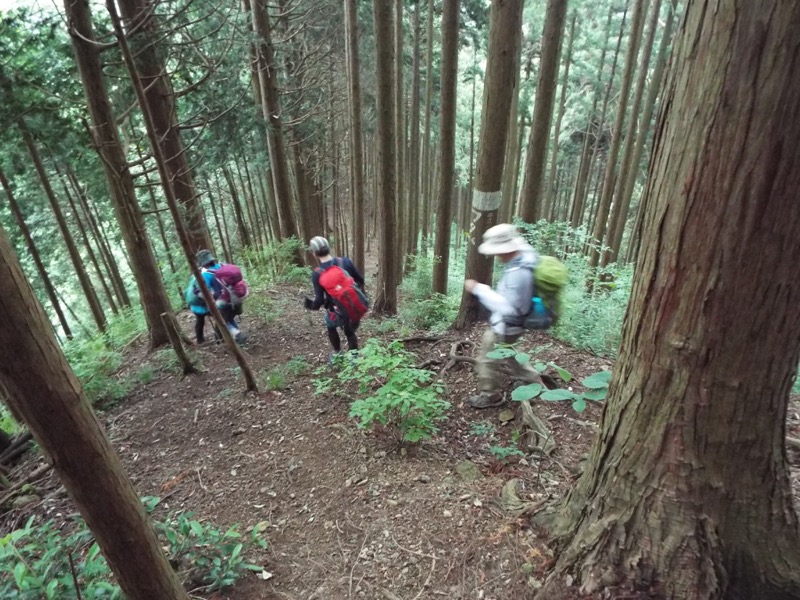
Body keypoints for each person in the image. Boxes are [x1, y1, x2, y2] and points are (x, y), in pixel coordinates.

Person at [463, 224, 543, 409]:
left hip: (507, 324)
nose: (496, 255)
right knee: (511, 353)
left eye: (497, 251)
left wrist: (478, 289)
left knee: (487, 359)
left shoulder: (518, 273)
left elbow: (509, 307)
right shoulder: (525, 259)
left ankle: (490, 394)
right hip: (515, 324)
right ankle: (534, 383)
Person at [302, 236, 366, 360]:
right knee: (350, 331)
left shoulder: (318, 273)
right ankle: (354, 357)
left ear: (314, 253)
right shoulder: (345, 262)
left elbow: (319, 301)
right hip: (356, 307)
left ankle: (337, 353)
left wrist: (309, 304)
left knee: (330, 326)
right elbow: (360, 280)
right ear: (329, 248)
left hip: (337, 311)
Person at [186, 249, 247, 344]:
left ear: (202, 263)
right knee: (227, 318)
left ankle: (233, 336)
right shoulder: (222, 266)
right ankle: (233, 337)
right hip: (235, 298)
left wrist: (198, 293)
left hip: (222, 302)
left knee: (222, 321)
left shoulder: (205, 274)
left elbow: (205, 292)